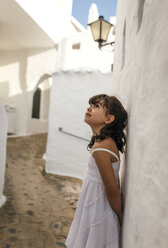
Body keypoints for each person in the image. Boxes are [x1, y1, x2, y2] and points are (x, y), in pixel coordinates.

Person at [65, 94, 127, 248]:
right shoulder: (103, 143)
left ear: (109, 119)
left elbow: (112, 189)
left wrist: (119, 215)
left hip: (99, 209)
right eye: (91, 105)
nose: (89, 108)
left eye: (96, 106)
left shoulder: (101, 148)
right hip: (94, 204)